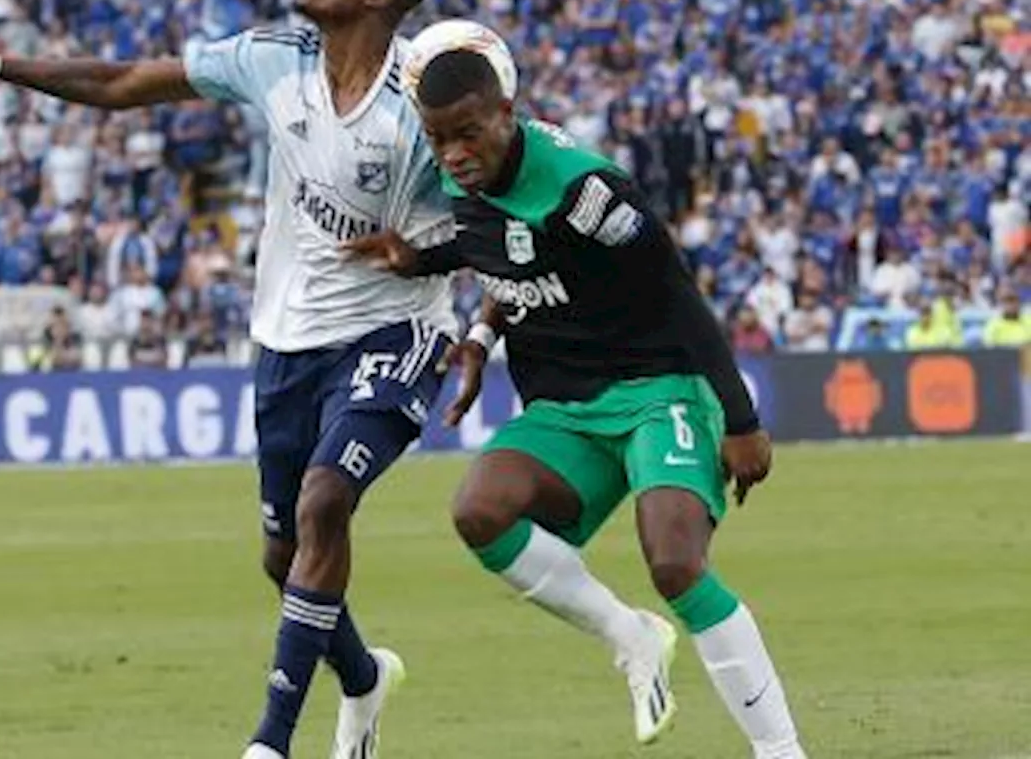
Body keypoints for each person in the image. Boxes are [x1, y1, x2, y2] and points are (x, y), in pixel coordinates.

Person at [0, 0, 460, 759]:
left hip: (394, 328)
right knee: (285, 556)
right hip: (286, 340)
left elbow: (497, 215)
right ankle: (366, 679)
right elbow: (126, 80)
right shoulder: (276, 59)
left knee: (323, 504)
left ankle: (270, 742)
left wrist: (425, 258)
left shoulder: (423, 98)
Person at [346, 46, 807, 757]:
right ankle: (631, 635)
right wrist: (423, 263)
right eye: (439, 138)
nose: (454, 153)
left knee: (676, 562)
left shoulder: (587, 192)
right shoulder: (455, 171)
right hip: (565, 405)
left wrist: (741, 420)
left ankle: (781, 751)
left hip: (658, 386)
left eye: (469, 132)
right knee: (480, 510)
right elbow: (495, 246)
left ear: (507, 112)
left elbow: (676, 291)